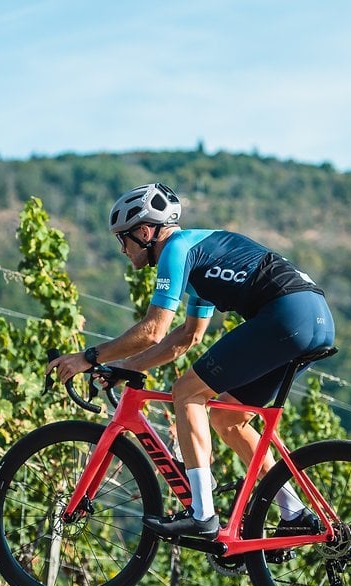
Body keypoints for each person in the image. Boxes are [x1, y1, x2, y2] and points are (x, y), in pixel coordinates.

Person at [47, 182, 335, 538]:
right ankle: (293, 512)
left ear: (145, 231)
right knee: (228, 418)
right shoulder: (202, 253)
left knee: (186, 390)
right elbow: (186, 338)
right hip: (313, 319)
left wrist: (89, 357)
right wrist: (128, 367)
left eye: (123, 238)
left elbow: (153, 330)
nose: (122, 249)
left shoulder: (176, 250)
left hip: (288, 316)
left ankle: (202, 514)